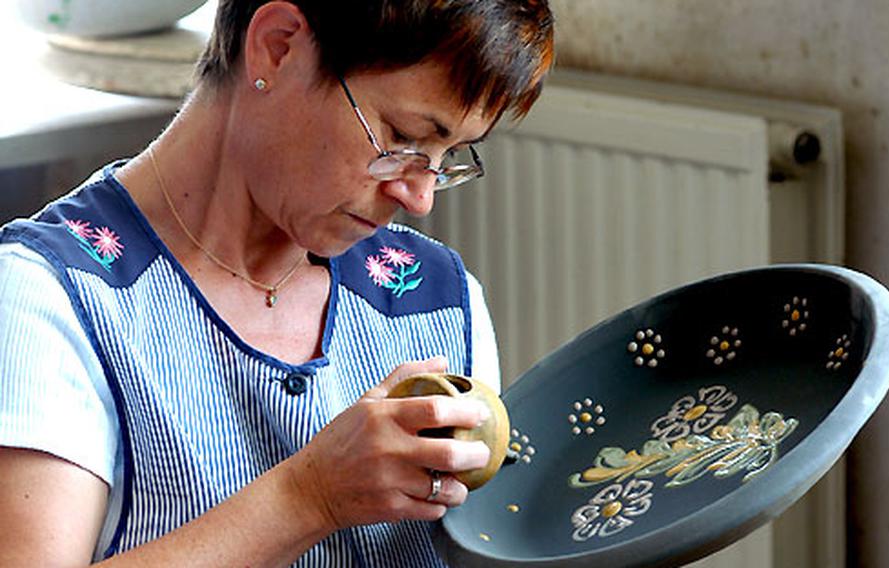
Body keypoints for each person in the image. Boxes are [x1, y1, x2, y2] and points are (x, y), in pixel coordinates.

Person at [0, 0, 554, 566]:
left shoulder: (437, 300)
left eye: (447, 157)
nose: (419, 197)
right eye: (404, 138)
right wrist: (309, 495)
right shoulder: (51, 297)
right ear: (278, 45)